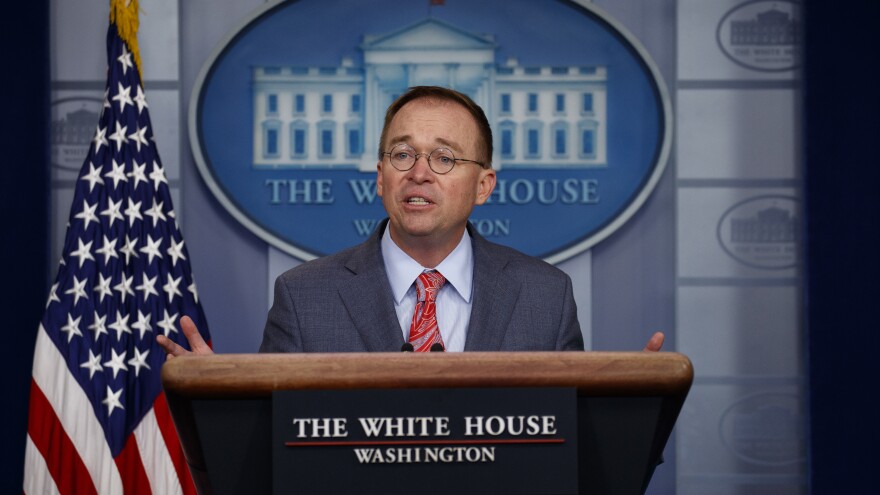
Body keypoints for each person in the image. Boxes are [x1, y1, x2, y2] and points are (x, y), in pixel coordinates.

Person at [158, 86, 664, 357]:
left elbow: (572, 445)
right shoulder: (304, 296)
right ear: (380, 178)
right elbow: (267, 447)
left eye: (444, 158)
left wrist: (627, 407)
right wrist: (219, 397)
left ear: (484, 186)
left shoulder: (545, 297)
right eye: (403, 155)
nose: (419, 173)